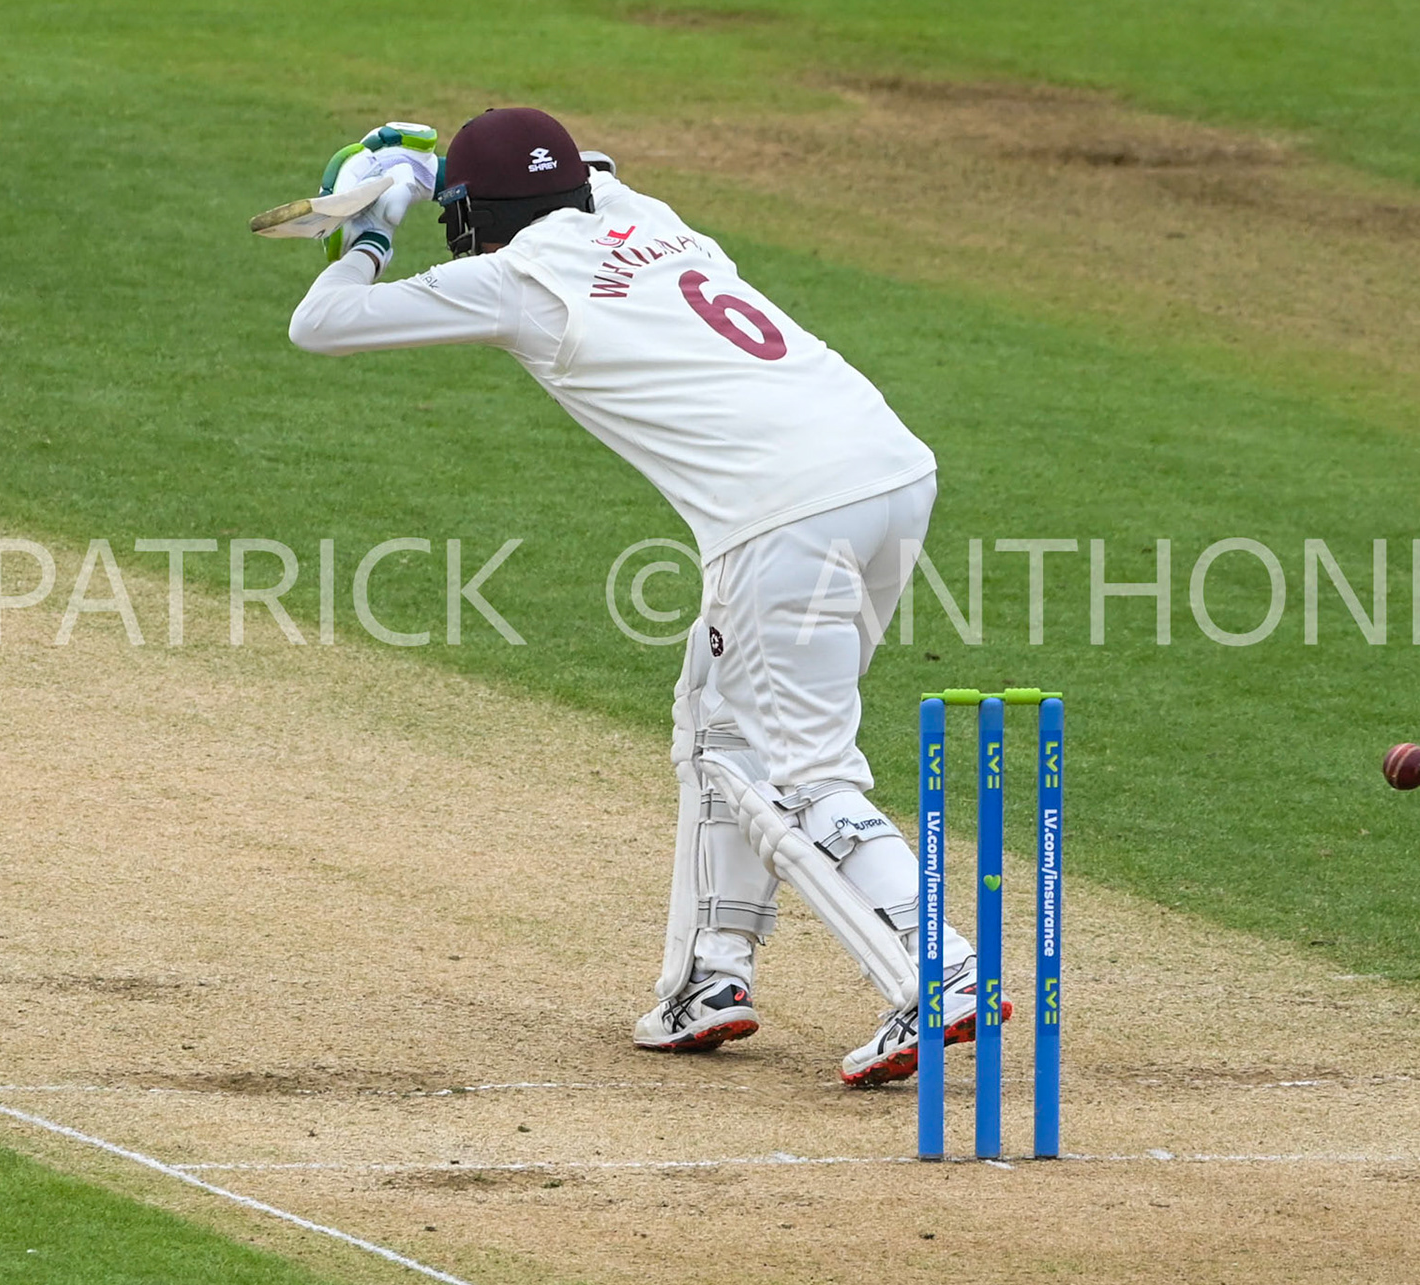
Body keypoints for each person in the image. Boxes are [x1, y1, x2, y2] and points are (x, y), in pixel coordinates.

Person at [288, 108, 1006, 1084]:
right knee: (720, 732)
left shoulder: (510, 278)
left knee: (802, 773)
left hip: (781, 516)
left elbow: (318, 321)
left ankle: (945, 967)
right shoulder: (640, 210)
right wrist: (429, 160)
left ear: (471, 215)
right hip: (890, 471)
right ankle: (710, 977)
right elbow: (584, 164)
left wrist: (382, 214)